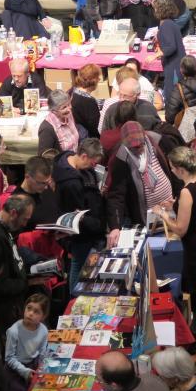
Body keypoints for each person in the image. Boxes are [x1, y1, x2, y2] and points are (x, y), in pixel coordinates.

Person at [154, 147, 196, 360]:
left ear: (181, 169)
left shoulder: (186, 191)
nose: (172, 171)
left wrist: (164, 215)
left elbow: (180, 229)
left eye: (173, 168)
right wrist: (177, 205)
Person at [106, 122, 175, 247]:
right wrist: (115, 226)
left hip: (171, 205)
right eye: (134, 148)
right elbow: (116, 194)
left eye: (141, 145)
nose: (139, 149)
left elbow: (175, 167)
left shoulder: (156, 140)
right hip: (147, 215)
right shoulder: (120, 157)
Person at [0, 194, 36, 336]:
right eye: (24, 219)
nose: (25, 224)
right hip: (3, 309)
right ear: (14, 213)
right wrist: (26, 283)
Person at [53, 138, 108, 275]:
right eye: (93, 163)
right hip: (83, 236)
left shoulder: (70, 163)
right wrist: (94, 224)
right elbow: (76, 214)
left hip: (88, 231)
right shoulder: (71, 183)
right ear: (84, 156)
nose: (93, 167)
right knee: (81, 270)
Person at [2, 294, 50, 391]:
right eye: (29, 308)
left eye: (36, 311)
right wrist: (24, 371)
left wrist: (42, 366)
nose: (30, 313)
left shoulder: (43, 330)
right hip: (15, 370)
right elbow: (9, 358)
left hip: (32, 365)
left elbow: (42, 351)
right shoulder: (14, 331)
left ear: (43, 316)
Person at [153, 0, 186, 103]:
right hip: (175, 65)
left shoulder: (166, 25)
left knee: (172, 98)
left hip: (174, 66)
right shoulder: (169, 23)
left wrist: (156, 55)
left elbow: (171, 47)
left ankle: (172, 119)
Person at [72, 64, 104, 137]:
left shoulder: (72, 91)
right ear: (93, 80)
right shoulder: (89, 102)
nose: (99, 80)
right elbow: (96, 127)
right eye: (98, 78)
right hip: (87, 138)